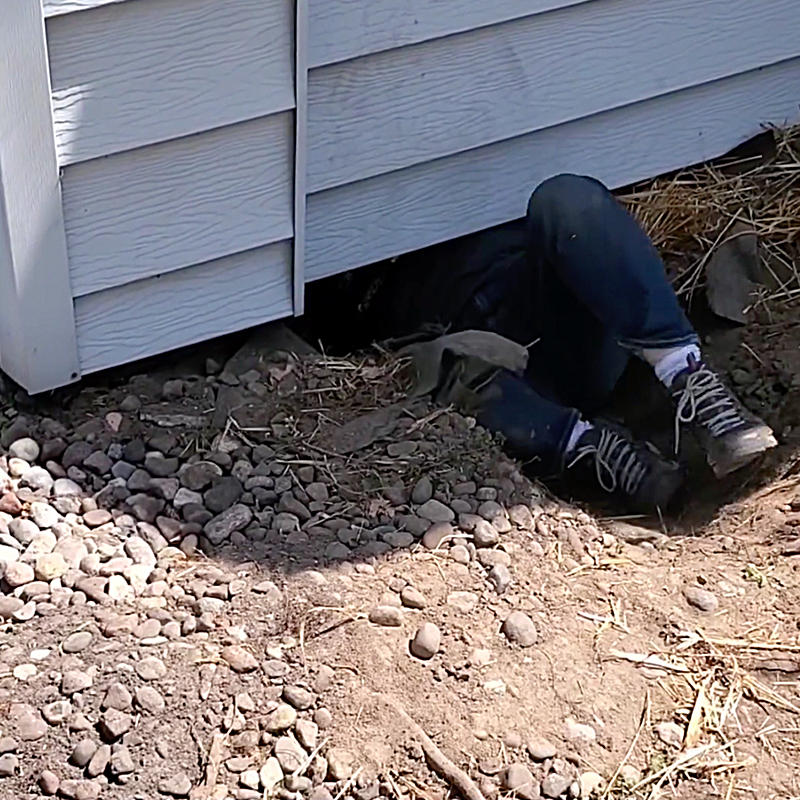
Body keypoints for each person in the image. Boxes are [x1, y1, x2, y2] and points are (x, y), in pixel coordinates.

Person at [362, 174, 777, 510]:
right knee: (432, 366)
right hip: (503, 387)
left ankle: (691, 382)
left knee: (567, 198)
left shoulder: (472, 164)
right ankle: (596, 452)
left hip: (552, 322)